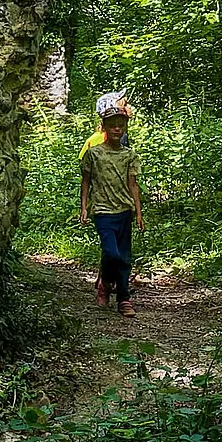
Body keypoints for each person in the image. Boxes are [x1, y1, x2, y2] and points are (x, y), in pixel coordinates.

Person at [78, 92, 143, 315]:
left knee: (124, 256)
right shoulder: (93, 153)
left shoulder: (129, 155)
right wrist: (84, 207)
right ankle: (105, 282)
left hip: (124, 210)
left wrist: (138, 212)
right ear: (104, 126)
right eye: (112, 125)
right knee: (111, 253)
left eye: (121, 126)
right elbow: (85, 181)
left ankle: (124, 299)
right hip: (102, 211)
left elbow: (133, 184)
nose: (117, 129)